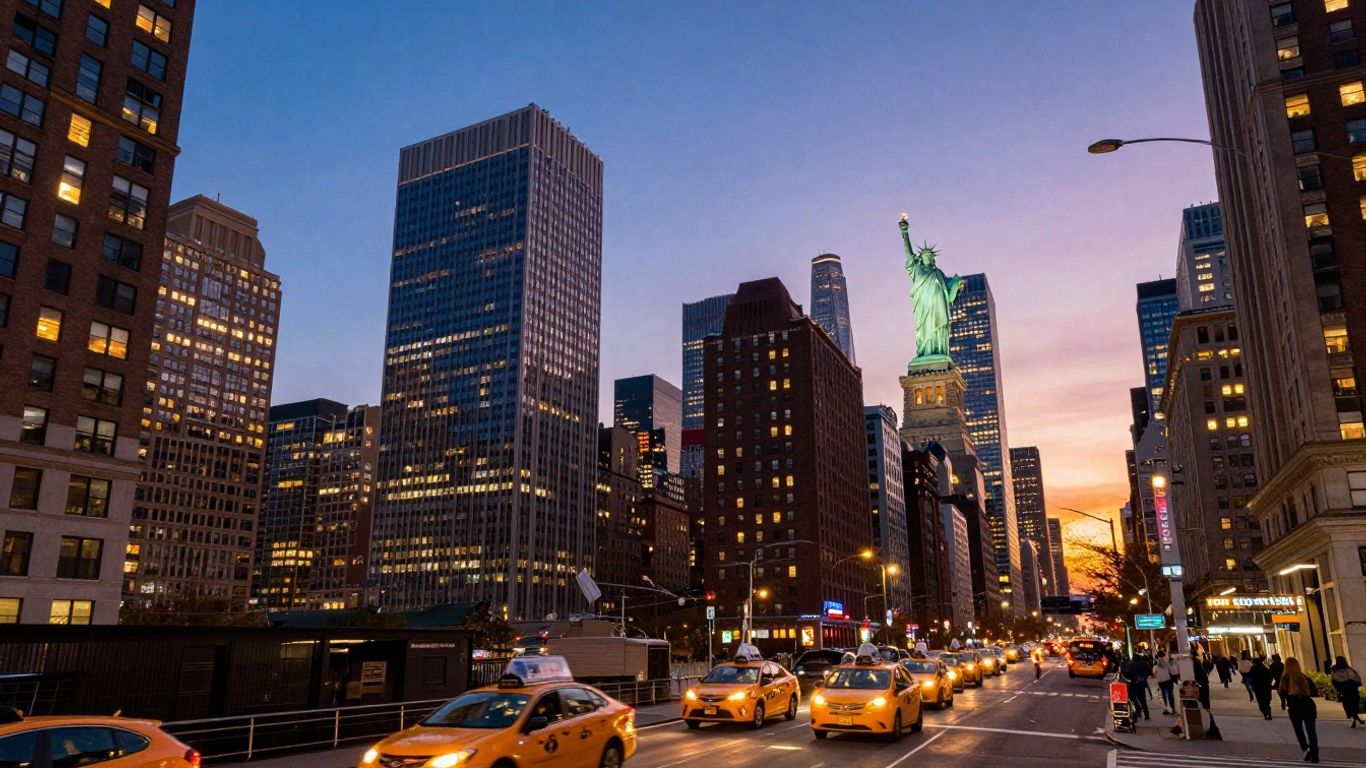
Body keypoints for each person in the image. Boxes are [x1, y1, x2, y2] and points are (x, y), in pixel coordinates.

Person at [1279, 657, 1319, 764]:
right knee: (1311, 731)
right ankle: (1315, 753)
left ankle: (1306, 749)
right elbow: (1315, 692)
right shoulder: (1304, 678)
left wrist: (1283, 703)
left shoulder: (1285, 679)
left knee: (1299, 731)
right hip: (1308, 706)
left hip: (1294, 708)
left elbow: (1281, 693)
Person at [1329, 656, 1364, 727]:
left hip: (1346, 691)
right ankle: (1356, 719)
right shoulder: (1347, 670)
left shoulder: (1340, 670)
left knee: (1350, 706)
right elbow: (1357, 680)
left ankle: (1355, 719)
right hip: (1350, 691)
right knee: (1352, 705)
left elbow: (1335, 682)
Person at [1126, 653, 1152, 721]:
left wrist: (1136, 678)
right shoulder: (1143, 664)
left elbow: (1130, 673)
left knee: (1133, 698)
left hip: (1135, 683)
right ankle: (1147, 714)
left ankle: (1138, 711)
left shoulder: (1132, 664)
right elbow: (1147, 672)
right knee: (1143, 700)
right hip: (1142, 683)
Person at [1154, 651, 1177, 715]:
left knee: (1164, 695)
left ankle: (1166, 708)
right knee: (1170, 694)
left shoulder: (1157, 662)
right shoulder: (1167, 661)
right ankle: (1172, 708)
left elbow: (1155, 672)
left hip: (1161, 681)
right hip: (1168, 680)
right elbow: (1172, 670)